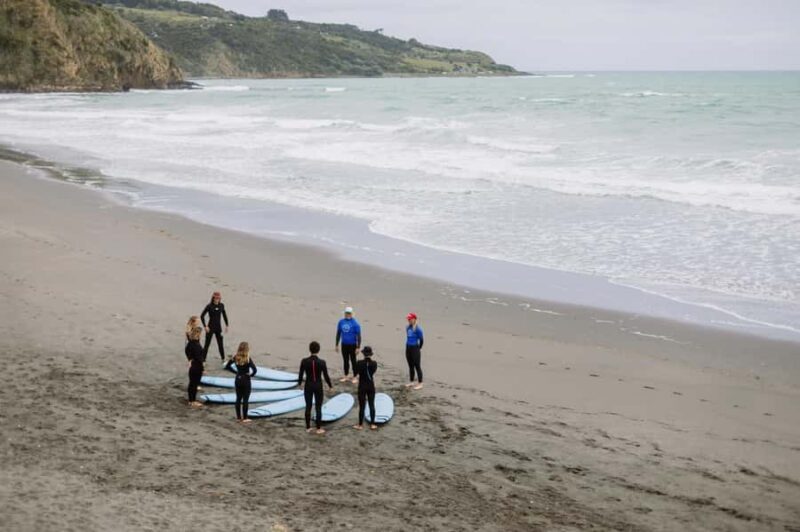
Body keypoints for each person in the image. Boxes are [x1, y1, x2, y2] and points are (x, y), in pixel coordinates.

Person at [298, 341, 333, 435]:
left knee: (308, 406)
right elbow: (326, 376)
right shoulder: (322, 362)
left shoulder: (304, 361)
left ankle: (308, 427)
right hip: (318, 386)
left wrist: (299, 384)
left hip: (308, 385)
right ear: (319, 350)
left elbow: (301, 374)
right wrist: (330, 386)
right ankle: (318, 428)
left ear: (310, 349)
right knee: (318, 407)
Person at [225, 341, 257, 423]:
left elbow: (227, 366)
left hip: (238, 379)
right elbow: (255, 370)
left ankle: (238, 417)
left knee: (238, 398)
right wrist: (250, 375)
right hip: (246, 380)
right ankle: (245, 418)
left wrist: (236, 372)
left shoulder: (235, 357)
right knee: (245, 399)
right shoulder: (248, 358)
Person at [353, 345, 378, 431]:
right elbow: (373, 372)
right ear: (371, 354)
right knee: (371, 404)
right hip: (371, 385)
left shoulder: (359, 363)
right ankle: (372, 424)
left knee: (362, 406)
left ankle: (360, 425)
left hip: (362, 386)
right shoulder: (374, 363)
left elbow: (355, 372)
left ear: (363, 354)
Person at [335, 307, 362, 384]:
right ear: (344, 313)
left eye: (349, 313)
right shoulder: (341, 322)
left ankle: (355, 376)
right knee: (345, 360)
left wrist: (358, 347)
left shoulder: (355, 323)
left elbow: (359, 336)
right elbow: (338, 333)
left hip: (353, 345)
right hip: (344, 344)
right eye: (346, 313)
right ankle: (346, 375)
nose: (347, 314)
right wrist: (336, 345)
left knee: (353, 361)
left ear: (352, 314)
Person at [201, 291, 229, 363]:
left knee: (220, 344)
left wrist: (227, 325)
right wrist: (205, 326)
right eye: (215, 298)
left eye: (218, 298)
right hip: (210, 327)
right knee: (207, 344)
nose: (217, 299)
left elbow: (224, 315)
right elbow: (202, 316)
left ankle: (223, 359)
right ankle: (203, 360)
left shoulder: (221, 305)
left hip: (218, 328)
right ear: (213, 298)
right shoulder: (209, 306)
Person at [185, 326, 204, 407]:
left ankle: (190, 400)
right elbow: (199, 358)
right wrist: (203, 368)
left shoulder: (191, 342)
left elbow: (186, 350)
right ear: (198, 334)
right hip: (197, 366)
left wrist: (189, 359)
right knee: (194, 384)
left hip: (192, 366)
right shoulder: (196, 345)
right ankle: (193, 401)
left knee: (191, 383)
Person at [405, 312, 424, 390]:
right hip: (408, 348)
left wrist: (418, 348)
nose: (409, 320)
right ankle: (411, 381)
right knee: (410, 366)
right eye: (408, 319)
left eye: (410, 319)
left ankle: (420, 383)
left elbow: (422, 340)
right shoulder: (408, 327)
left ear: (414, 319)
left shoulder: (418, 329)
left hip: (415, 348)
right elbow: (408, 338)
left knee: (417, 366)